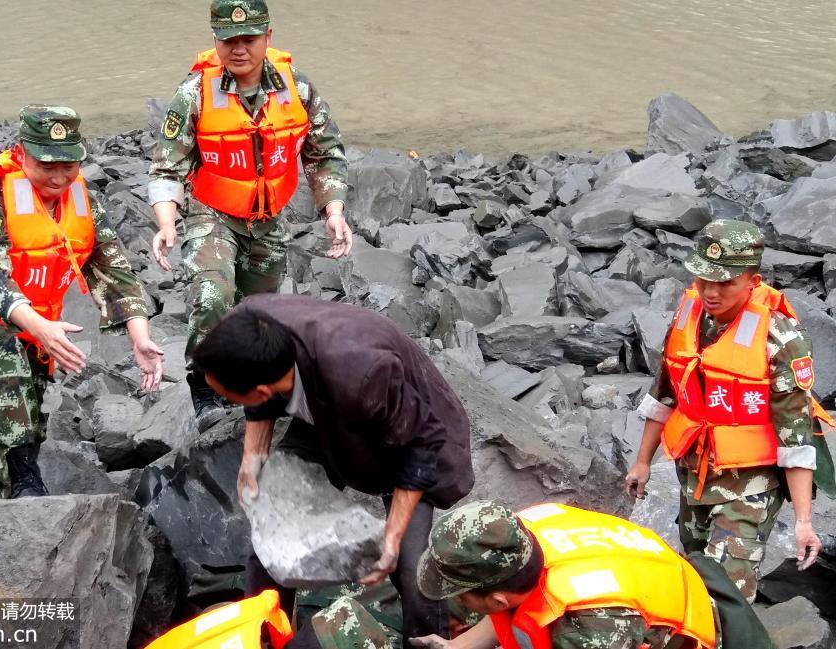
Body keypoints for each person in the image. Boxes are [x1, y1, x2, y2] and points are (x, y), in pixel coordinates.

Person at [191, 294, 475, 643]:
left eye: (229, 396)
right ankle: (263, 633)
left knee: (411, 566)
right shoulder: (250, 327)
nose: (227, 402)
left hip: (408, 435)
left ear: (261, 389)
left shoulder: (361, 373)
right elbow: (257, 400)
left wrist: (393, 535)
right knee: (270, 533)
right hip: (323, 416)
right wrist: (253, 458)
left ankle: (430, 639)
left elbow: (421, 445)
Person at [0, 106, 163, 498]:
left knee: (25, 419)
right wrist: (39, 328)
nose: (59, 176)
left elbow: (113, 271)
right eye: (46, 164)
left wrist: (140, 337)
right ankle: (25, 488)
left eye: (69, 165)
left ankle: (14, 501)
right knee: (3, 348)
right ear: (22, 153)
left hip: (37, 332)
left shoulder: (83, 201)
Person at [147, 0, 353, 432]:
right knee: (212, 295)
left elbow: (325, 154)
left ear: (268, 38)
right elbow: (169, 165)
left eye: (249, 39)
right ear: (216, 42)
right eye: (228, 41)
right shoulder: (194, 94)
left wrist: (333, 211)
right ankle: (203, 386)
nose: (238, 49)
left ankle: (249, 392)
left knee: (259, 313)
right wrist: (167, 222)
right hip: (212, 213)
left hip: (269, 220)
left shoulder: (298, 89)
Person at [624, 219, 835, 602]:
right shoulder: (688, 315)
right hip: (694, 474)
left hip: (750, 483)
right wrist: (641, 463)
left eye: (725, 283)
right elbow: (666, 395)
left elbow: (796, 436)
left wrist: (804, 521)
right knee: (695, 572)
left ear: (752, 282)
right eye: (704, 280)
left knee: (727, 594)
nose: (710, 292)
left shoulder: (781, 340)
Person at [409, 500, 775, 649]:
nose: (454, 598)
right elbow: (508, 603)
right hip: (654, 575)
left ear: (500, 600)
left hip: (696, 632)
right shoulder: (526, 527)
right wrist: (458, 646)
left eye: (460, 590)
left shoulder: (591, 625)